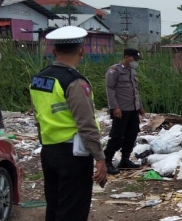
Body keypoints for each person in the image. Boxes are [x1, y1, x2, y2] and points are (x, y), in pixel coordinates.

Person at [29, 26, 107, 221]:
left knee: (54, 206)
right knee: (73, 209)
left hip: (49, 150)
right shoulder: (75, 82)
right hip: (73, 154)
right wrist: (99, 158)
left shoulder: (39, 78)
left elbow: (38, 115)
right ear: (82, 51)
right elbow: (86, 123)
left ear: (54, 51)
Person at [104, 48, 145, 175]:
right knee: (117, 136)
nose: (136, 61)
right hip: (121, 109)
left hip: (133, 109)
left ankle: (125, 160)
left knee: (132, 134)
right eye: (134, 58)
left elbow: (135, 91)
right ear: (127, 57)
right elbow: (110, 89)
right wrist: (114, 107)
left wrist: (140, 107)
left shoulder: (132, 71)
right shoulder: (114, 70)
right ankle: (107, 162)